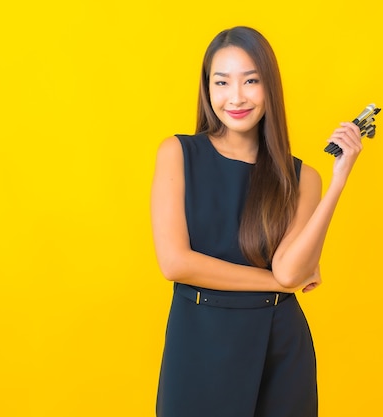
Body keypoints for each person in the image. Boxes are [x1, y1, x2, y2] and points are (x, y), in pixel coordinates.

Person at [151, 26, 363, 417]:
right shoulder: (179, 153)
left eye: (251, 80)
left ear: (270, 87)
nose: (236, 97)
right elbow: (175, 263)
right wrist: (279, 282)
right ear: (207, 88)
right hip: (198, 341)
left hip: (277, 342)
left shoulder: (303, 178)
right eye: (222, 82)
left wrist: (338, 181)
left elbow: (288, 268)